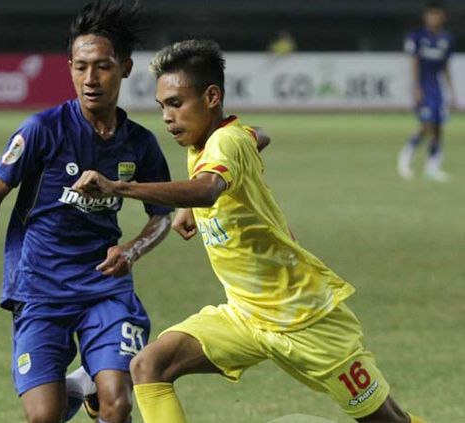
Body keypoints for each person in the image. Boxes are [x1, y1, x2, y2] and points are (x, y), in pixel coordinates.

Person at [72, 39, 427, 423]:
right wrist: (196, 202)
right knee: (150, 365)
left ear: (211, 97)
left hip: (303, 319)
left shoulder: (224, 141)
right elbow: (258, 135)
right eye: (162, 107)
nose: (167, 118)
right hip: (245, 316)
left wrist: (119, 186)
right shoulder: (217, 139)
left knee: (391, 421)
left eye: (176, 104)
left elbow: (209, 188)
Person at [0, 1, 175, 422]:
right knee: (43, 417)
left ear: (125, 68)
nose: (90, 79)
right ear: (69, 66)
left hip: (104, 289)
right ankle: (81, 386)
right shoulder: (43, 129)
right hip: (39, 287)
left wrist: (133, 249)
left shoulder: (140, 144)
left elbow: (162, 214)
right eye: (80, 66)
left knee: (119, 402)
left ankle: (98, 385)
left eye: (103, 66)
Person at [397, 0, 455, 182]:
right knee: (426, 125)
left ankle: (432, 167)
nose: (433, 18)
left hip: (436, 87)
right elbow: (414, 62)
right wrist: (415, 87)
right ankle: (405, 158)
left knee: (438, 128)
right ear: (425, 17)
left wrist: (452, 91)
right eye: (430, 15)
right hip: (423, 86)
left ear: (442, 17)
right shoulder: (417, 37)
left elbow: (445, 67)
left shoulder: (447, 39)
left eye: (436, 14)